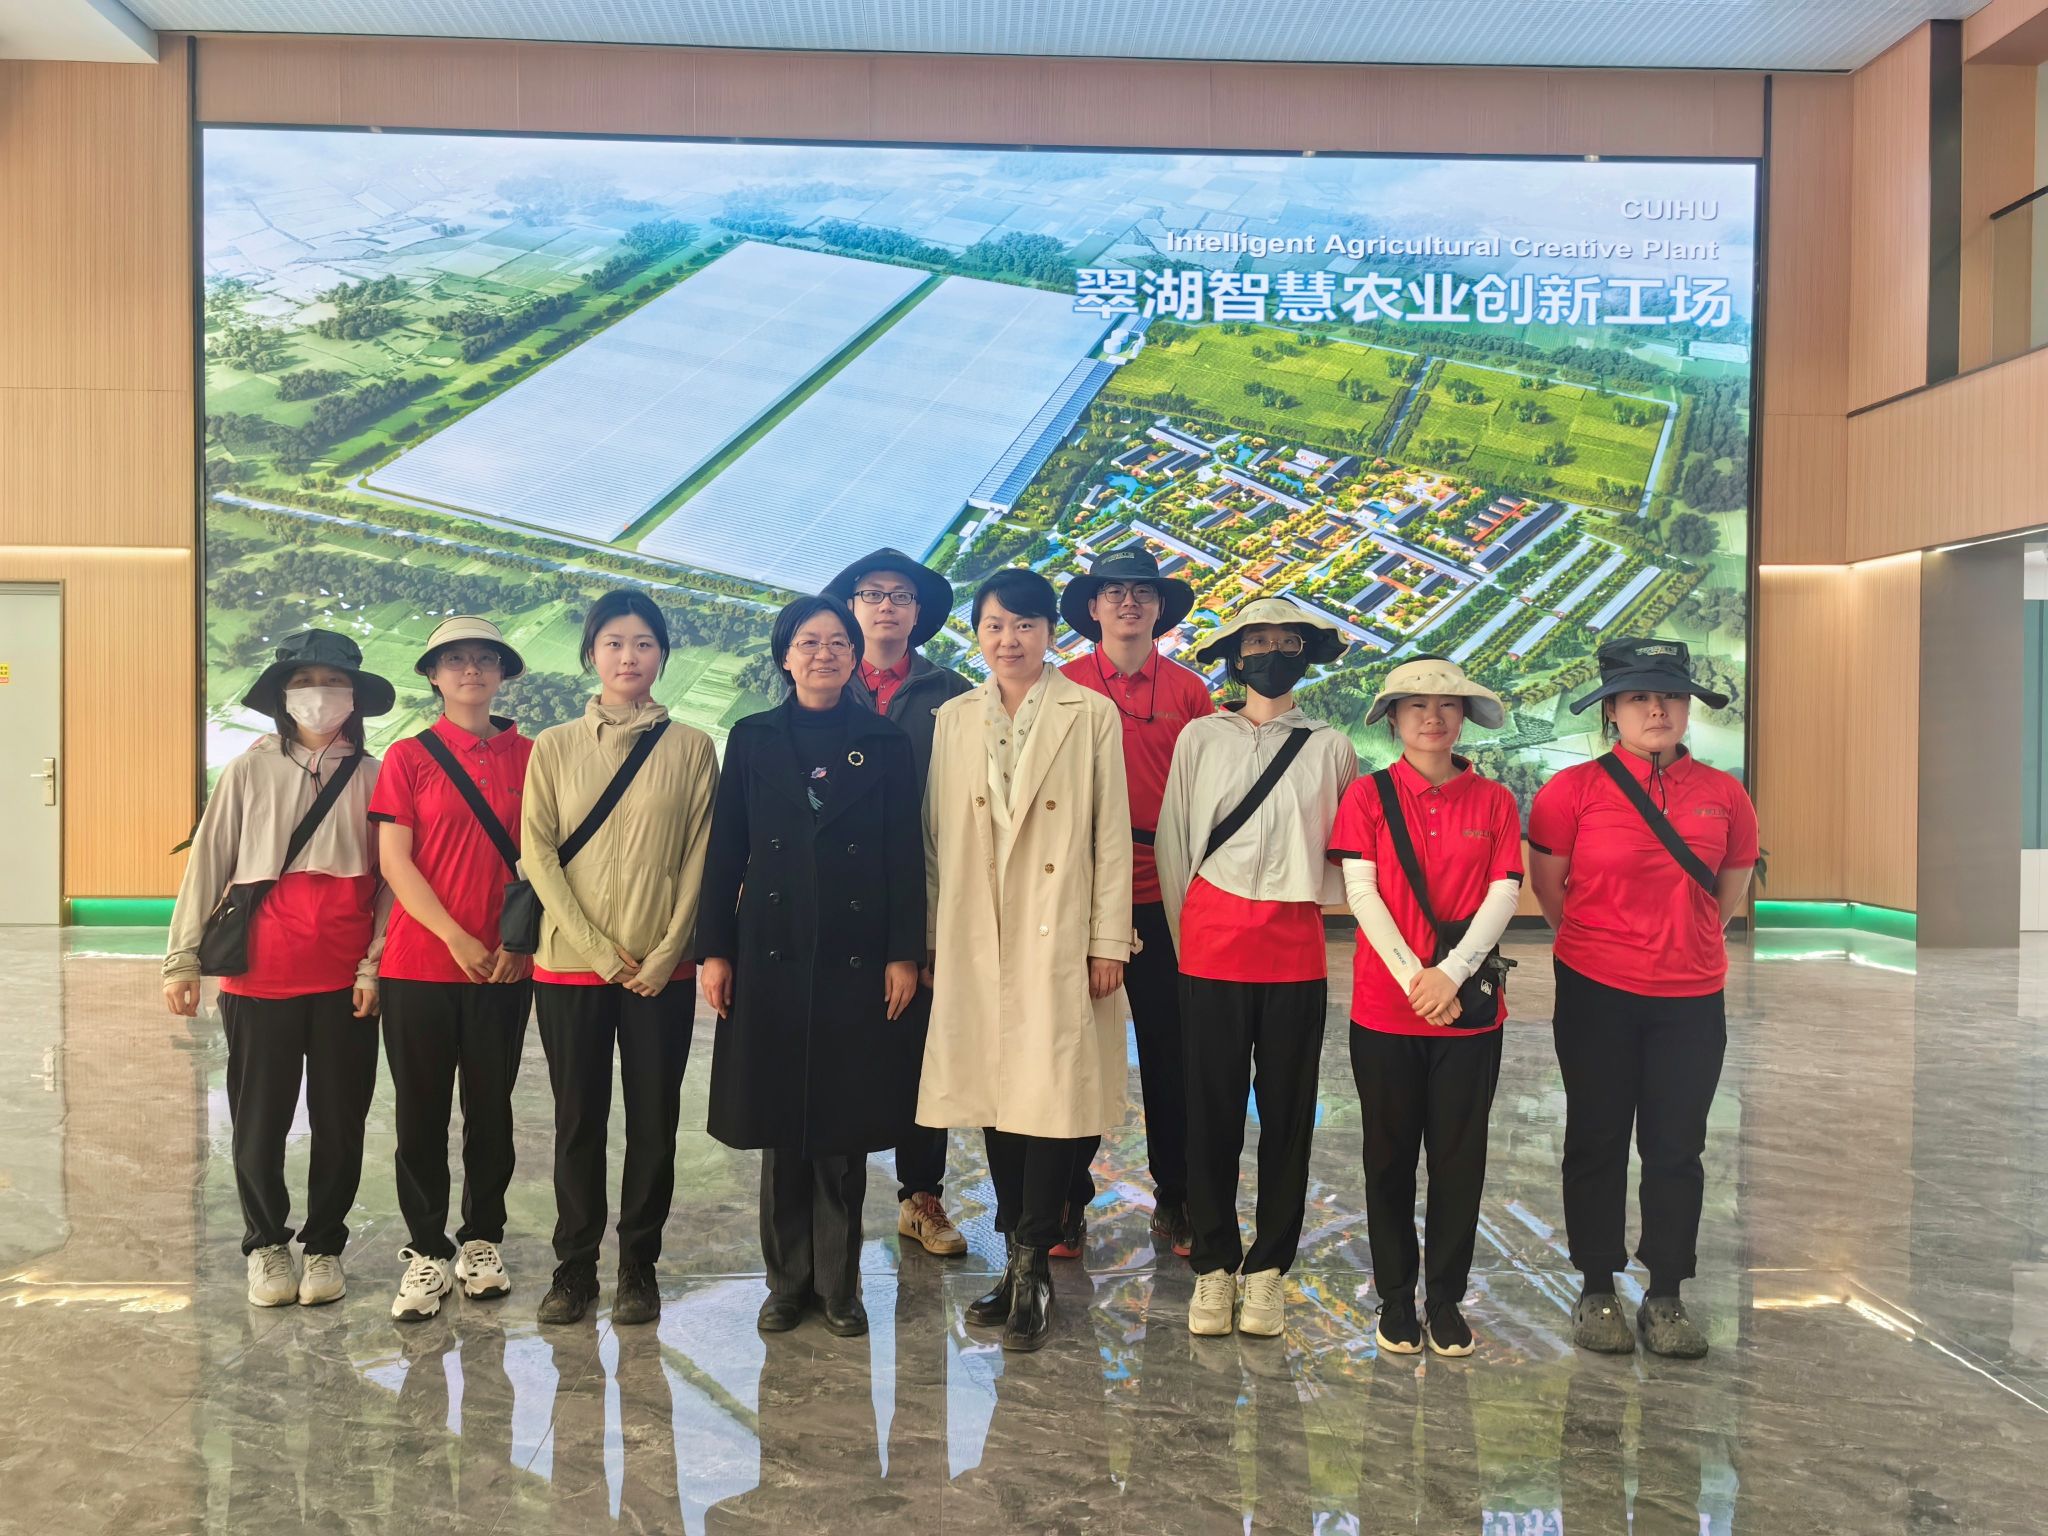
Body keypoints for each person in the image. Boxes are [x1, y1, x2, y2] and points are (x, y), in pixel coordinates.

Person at [698, 594, 926, 1339]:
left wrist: (903, 952)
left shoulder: (883, 742)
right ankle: (785, 1283)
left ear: (854, 656)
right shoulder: (753, 737)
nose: (824, 654)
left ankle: (839, 1286)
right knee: (779, 1125)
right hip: (771, 946)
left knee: (841, 1128)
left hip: (854, 955)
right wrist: (715, 949)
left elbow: (902, 855)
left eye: (837, 642)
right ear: (785, 656)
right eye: (808, 642)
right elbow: (726, 849)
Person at [918, 566, 1133, 1352]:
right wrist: (935, 937)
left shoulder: (1091, 713)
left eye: (1024, 625)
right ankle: (1014, 1258)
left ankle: (1035, 1258)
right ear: (977, 633)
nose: (1008, 640)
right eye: (995, 625)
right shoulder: (953, 718)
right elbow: (936, 837)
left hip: (1057, 930)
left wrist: (1108, 939)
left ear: (1050, 634)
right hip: (978, 933)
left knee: (1050, 1098)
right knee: (995, 1099)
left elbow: (1110, 833)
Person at [1528, 636, 1758, 1360]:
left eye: (1670, 696)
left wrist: (1683, 941)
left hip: (1691, 998)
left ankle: (1666, 1294)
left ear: (1687, 707)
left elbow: (1727, 891)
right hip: (1596, 992)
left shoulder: (1725, 794)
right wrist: (1604, 944)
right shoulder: (1572, 791)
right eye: (1638, 698)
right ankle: (1597, 1285)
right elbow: (1551, 890)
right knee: (1596, 1138)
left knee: (1676, 1147)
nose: (1656, 710)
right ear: (1612, 712)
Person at [163, 630, 393, 1309]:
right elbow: (209, 860)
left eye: (333, 681)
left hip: (345, 977)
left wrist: (373, 966)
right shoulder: (250, 769)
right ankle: (266, 1242)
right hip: (259, 973)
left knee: (341, 1119)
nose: (319, 694)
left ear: (355, 696)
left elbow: (389, 882)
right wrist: (181, 958)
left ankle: (324, 1245)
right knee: (259, 1119)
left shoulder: (375, 776)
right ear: (282, 696)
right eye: (304, 682)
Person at [1155, 595, 1357, 1339]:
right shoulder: (1201, 738)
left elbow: (1345, 854)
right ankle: (1214, 1264)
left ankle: (1268, 1268)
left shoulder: (1330, 746)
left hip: (1295, 946)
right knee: (1209, 1113)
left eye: (1286, 642)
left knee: (1288, 1116)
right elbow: (1175, 843)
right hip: (1210, 943)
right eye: (1257, 642)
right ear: (1235, 657)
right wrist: (1186, 936)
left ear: (1305, 654)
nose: (1271, 653)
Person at [522, 590, 718, 1328]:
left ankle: (639, 1264)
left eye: (643, 643)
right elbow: (538, 855)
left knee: (653, 1119)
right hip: (571, 965)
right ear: (591, 654)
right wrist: (600, 953)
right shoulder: (553, 746)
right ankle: (573, 1266)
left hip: (660, 970)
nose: (628, 656)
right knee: (578, 1119)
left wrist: (669, 950)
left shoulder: (692, 747)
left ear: (662, 654)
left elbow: (701, 855)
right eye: (613, 642)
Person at [1326, 657, 1523, 1358]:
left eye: (1446, 705)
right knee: (1387, 1158)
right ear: (1393, 719)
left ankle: (1444, 1299)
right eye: (1415, 705)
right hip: (1386, 1009)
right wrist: (1418, 979)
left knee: (1459, 1160)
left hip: (1469, 1014)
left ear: (1464, 717)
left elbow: (1505, 891)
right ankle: (1394, 1297)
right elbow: (1361, 892)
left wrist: (1453, 973)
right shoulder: (1367, 796)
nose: (1432, 717)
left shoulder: (1494, 800)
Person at [369, 616, 535, 1322]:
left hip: (506, 964)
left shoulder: (534, 755)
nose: (471, 670)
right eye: (456, 659)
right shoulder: (408, 757)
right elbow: (395, 861)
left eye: (485, 659)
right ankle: (428, 1250)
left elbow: (545, 858)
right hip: (419, 964)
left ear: (501, 673)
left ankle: (482, 1239)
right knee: (421, 1112)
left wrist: (520, 944)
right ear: (434, 676)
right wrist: (454, 936)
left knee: (491, 1109)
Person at [1056, 545, 1213, 1260]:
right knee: (1075, 1049)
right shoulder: (1061, 686)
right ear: (1092, 607)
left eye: (1141, 593)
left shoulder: (1189, 693)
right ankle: (1065, 1195)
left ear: (1159, 608)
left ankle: (1176, 1195)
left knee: (1172, 1052)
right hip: (1080, 895)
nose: (1128, 602)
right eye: (1114, 591)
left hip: (1165, 895)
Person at [822, 547, 974, 1259]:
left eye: (901, 596)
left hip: (927, 887)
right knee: (840, 1046)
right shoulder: (824, 682)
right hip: (835, 894)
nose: (886, 606)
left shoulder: (954, 695)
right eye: (872, 594)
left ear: (919, 613)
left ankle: (921, 1195)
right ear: (851, 607)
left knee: (922, 1047)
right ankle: (836, 1202)